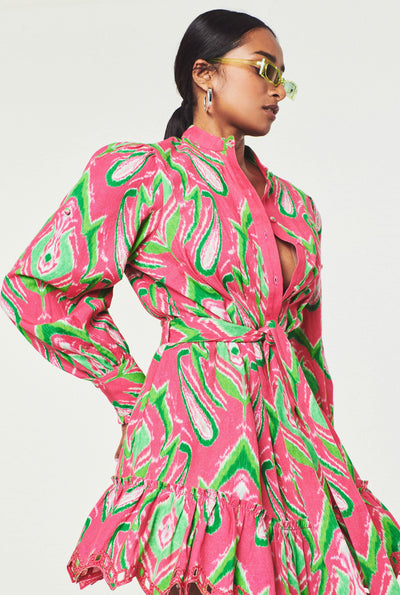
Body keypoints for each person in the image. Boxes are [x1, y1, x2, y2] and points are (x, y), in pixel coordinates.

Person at [1, 8, 399, 595]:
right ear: (204, 74)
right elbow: (40, 289)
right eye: (264, 69)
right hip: (196, 432)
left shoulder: (297, 206)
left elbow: (306, 344)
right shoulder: (143, 175)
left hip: (295, 439)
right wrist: (135, 395)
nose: (277, 91)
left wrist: (323, 438)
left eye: (284, 79)